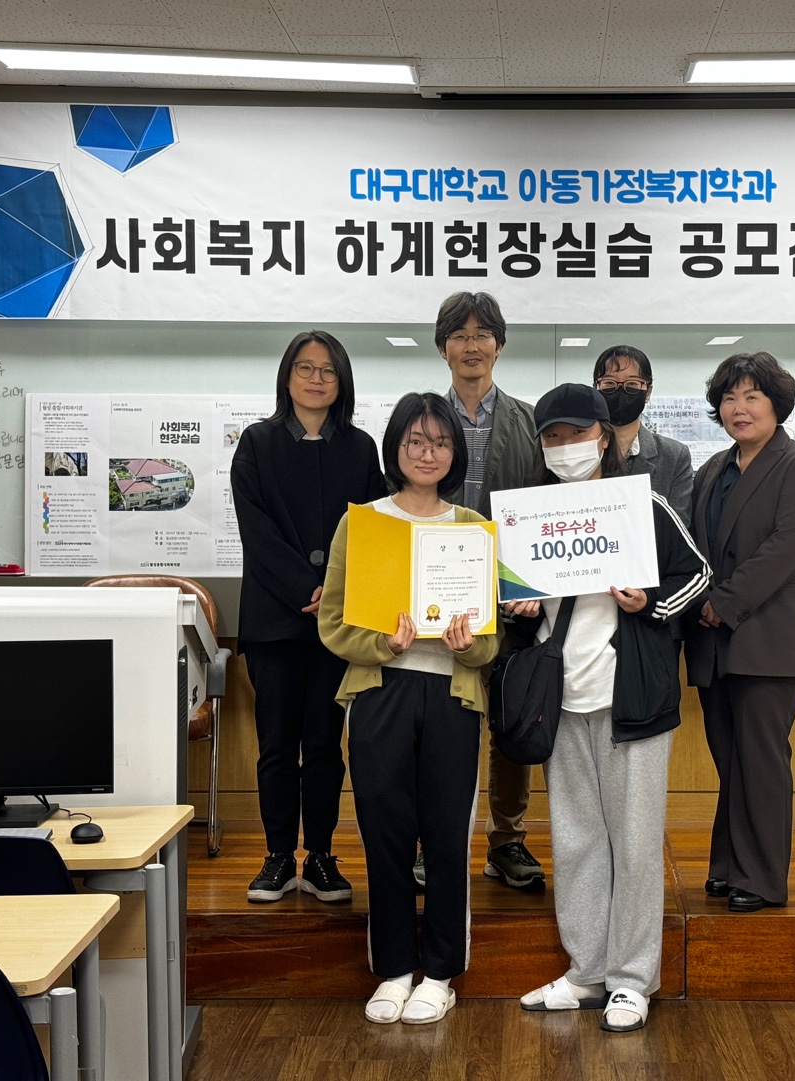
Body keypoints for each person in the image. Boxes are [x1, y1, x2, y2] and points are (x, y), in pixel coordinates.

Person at [513, 384, 709, 1033]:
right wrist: (517, 609)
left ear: (603, 436)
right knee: (575, 840)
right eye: (553, 436)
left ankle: (631, 979)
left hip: (632, 698)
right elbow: (516, 607)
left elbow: (697, 574)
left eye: (577, 433)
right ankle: (586, 970)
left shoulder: (641, 505)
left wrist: (648, 603)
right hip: (560, 700)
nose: (566, 447)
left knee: (635, 843)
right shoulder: (529, 516)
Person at [317, 392, 501, 1026]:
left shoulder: (473, 528)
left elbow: (491, 641)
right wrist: (383, 645)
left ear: (455, 453)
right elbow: (333, 622)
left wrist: (469, 645)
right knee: (385, 834)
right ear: (395, 447)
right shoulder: (363, 524)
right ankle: (395, 969)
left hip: (451, 697)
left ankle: (441, 973)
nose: (428, 453)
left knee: (447, 838)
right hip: (380, 693)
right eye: (416, 441)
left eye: (441, 443)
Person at [231, 330, 387, 905]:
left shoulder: (361, 448)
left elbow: (373, 528)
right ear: (287, 376)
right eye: (305, 367)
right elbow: (257, 532)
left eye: (328, 370)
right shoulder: (256, 442)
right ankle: (277, 856)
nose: (316, 379)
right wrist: (307, 586)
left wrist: (338, 592)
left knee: (324, 744)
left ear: (342, 381)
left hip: (337, 625)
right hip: (274, 621)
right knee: (276, 745)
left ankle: (320, 856)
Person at [685, 352, 795, 914]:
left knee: (761, 760)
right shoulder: (712, 470)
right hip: (713, 640)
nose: (738, 409)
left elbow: (785, 550)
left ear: (776, 404)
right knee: (730, 758)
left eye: (751, 396)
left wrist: (722, 604)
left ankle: (764, 878)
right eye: (728, 398)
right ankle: (728, 864)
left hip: (769, 639)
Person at [434, 290, 546, 890]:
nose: (471, 345)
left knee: (510, 722)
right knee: (445, 724)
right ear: (443, 348)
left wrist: (534, 586)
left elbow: (544, 511)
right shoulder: (424, 422)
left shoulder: (530, 421)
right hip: (440, 598)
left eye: (482, 334)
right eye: (460, 334)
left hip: (513, 601)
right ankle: (437, 842)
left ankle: (507, 841)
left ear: (499, 346)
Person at [592, 344, 693, 524]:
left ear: (648, 392)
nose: (620, 391)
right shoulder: (579, 448)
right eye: (609, 383)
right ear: (595, 388)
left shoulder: (674, 455)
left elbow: (678, 528)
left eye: (632, 384)